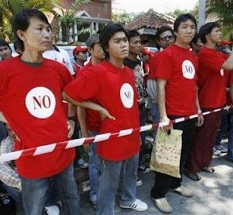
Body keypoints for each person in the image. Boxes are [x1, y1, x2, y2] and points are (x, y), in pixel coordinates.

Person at [0, 9, 80, 215]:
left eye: (48, 29)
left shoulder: (57, 68)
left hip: (62, 149)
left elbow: (72, 96)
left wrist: (71, 118)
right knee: (33, 208)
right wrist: (11, 123)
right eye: (40, 29)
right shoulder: (5, 70)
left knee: (72, 199)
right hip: (31, 155)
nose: (47, 34)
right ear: (21, 34)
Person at [63, 22, 148, 215]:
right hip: (111, 137)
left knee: (130, 173)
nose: (124, 45)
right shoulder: (96, 72)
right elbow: (68, 94)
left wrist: (137, 132)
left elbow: (130, 104)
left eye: (125, 40)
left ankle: (128, 199)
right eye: (117, 41)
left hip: (131, 132)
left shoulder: (127, 71)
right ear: (106, 47)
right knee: (108, 182)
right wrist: (97, 107)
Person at [150, 14, 203, 214]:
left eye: (192, 27)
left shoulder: (192, 57)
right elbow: (161, 86)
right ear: (176, 31)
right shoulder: (166, 54)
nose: (189, 31)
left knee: (182, 154)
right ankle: (158, 193)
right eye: (185, 27)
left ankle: (175, 183)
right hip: (172, 114)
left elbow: (193, 86)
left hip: (189, 113)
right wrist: (163, 116)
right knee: (166, 157)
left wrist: (197, 109)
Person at [186, 22, 233, 181]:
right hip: (207, 102)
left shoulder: (218, 53)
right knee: (201, 137)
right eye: (217, 31)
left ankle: (205, 163)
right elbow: (229, 65)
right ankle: (192, 167)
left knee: (211, 136)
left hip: (218, 102)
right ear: (207, 36)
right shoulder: (206, 53)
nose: (220, 33)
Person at [0, 124, 60, 215]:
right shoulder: (6, 143)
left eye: (14, 129)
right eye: (9, 130)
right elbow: (2, 168)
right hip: (21, 180)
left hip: (39, 174)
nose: (12, 133)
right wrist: (22, 183)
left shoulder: (34, 136)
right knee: (11, 185)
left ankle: (49, 204)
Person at [77, 33, 105, 210]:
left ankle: (106, 192)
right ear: (90, 50)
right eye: (100, 46)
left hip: (112, 127)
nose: (104, 49)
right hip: (94, 128)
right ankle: (95, 195)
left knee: (109, 163)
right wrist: (84, 131)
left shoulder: (112, 68)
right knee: (95, 163)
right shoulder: (85, 73)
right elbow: (79, 105)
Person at [124, 30, 149, 176]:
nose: (139, 45)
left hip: (141, 106)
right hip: (130, 108)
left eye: (140, 42)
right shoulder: (124, 63)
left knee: (142, 138)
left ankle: (138, 165)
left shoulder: (139, 61)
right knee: (132, 139)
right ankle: (130, 173)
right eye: (135, 42)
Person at [147, 25, 174, 140]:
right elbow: (153, 83)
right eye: (164, 38)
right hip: (160, 104)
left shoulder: (177, 55)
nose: (168, 40)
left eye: (170, 37)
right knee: (161, 136)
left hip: (173, 103)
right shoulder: (157, 57)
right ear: (158, 41)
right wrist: (157, 103)